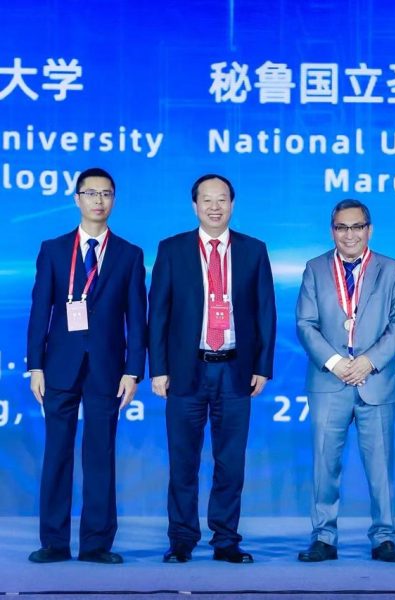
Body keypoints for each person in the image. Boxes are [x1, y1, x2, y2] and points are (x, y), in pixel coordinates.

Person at [148, 173, 276, 564]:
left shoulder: (253, 250)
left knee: (230, 462)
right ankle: (181, 539)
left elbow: (266, 312)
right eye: (207, 200)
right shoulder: (172, 249)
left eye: (222, 199)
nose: (215, 207)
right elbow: (158, 314)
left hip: (235, 370)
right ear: (195, 206)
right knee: (183, 461)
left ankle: (225, 540)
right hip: (186, 371)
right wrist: (158, 369)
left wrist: (262, 366)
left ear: (232, 204)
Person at [27, 167, 147, 564]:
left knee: (100, 454)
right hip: (59, 366)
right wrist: (36, 366)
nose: (99, 200)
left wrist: (133, 370)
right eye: (91, 193)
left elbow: (137, 318)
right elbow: (39, 311)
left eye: (106, 193)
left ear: (114, 200)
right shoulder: (53, 249)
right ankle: (53, 542)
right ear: (76, 198)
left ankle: (96, 543)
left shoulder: (129, 254)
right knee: (56, 453)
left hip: (108, 369)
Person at [296, 199, 395, 562]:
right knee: (324, 465)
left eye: (357, 227)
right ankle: (323, 537)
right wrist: (335, 363)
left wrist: (367, 362)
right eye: (342, 227)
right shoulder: (315, 269)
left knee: (380, 467)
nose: (350, 235)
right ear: (332, 231)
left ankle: (384, 537)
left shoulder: (393, 270)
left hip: (375, 381)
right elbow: (305, 324)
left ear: (369, 230)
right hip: (329, 381)